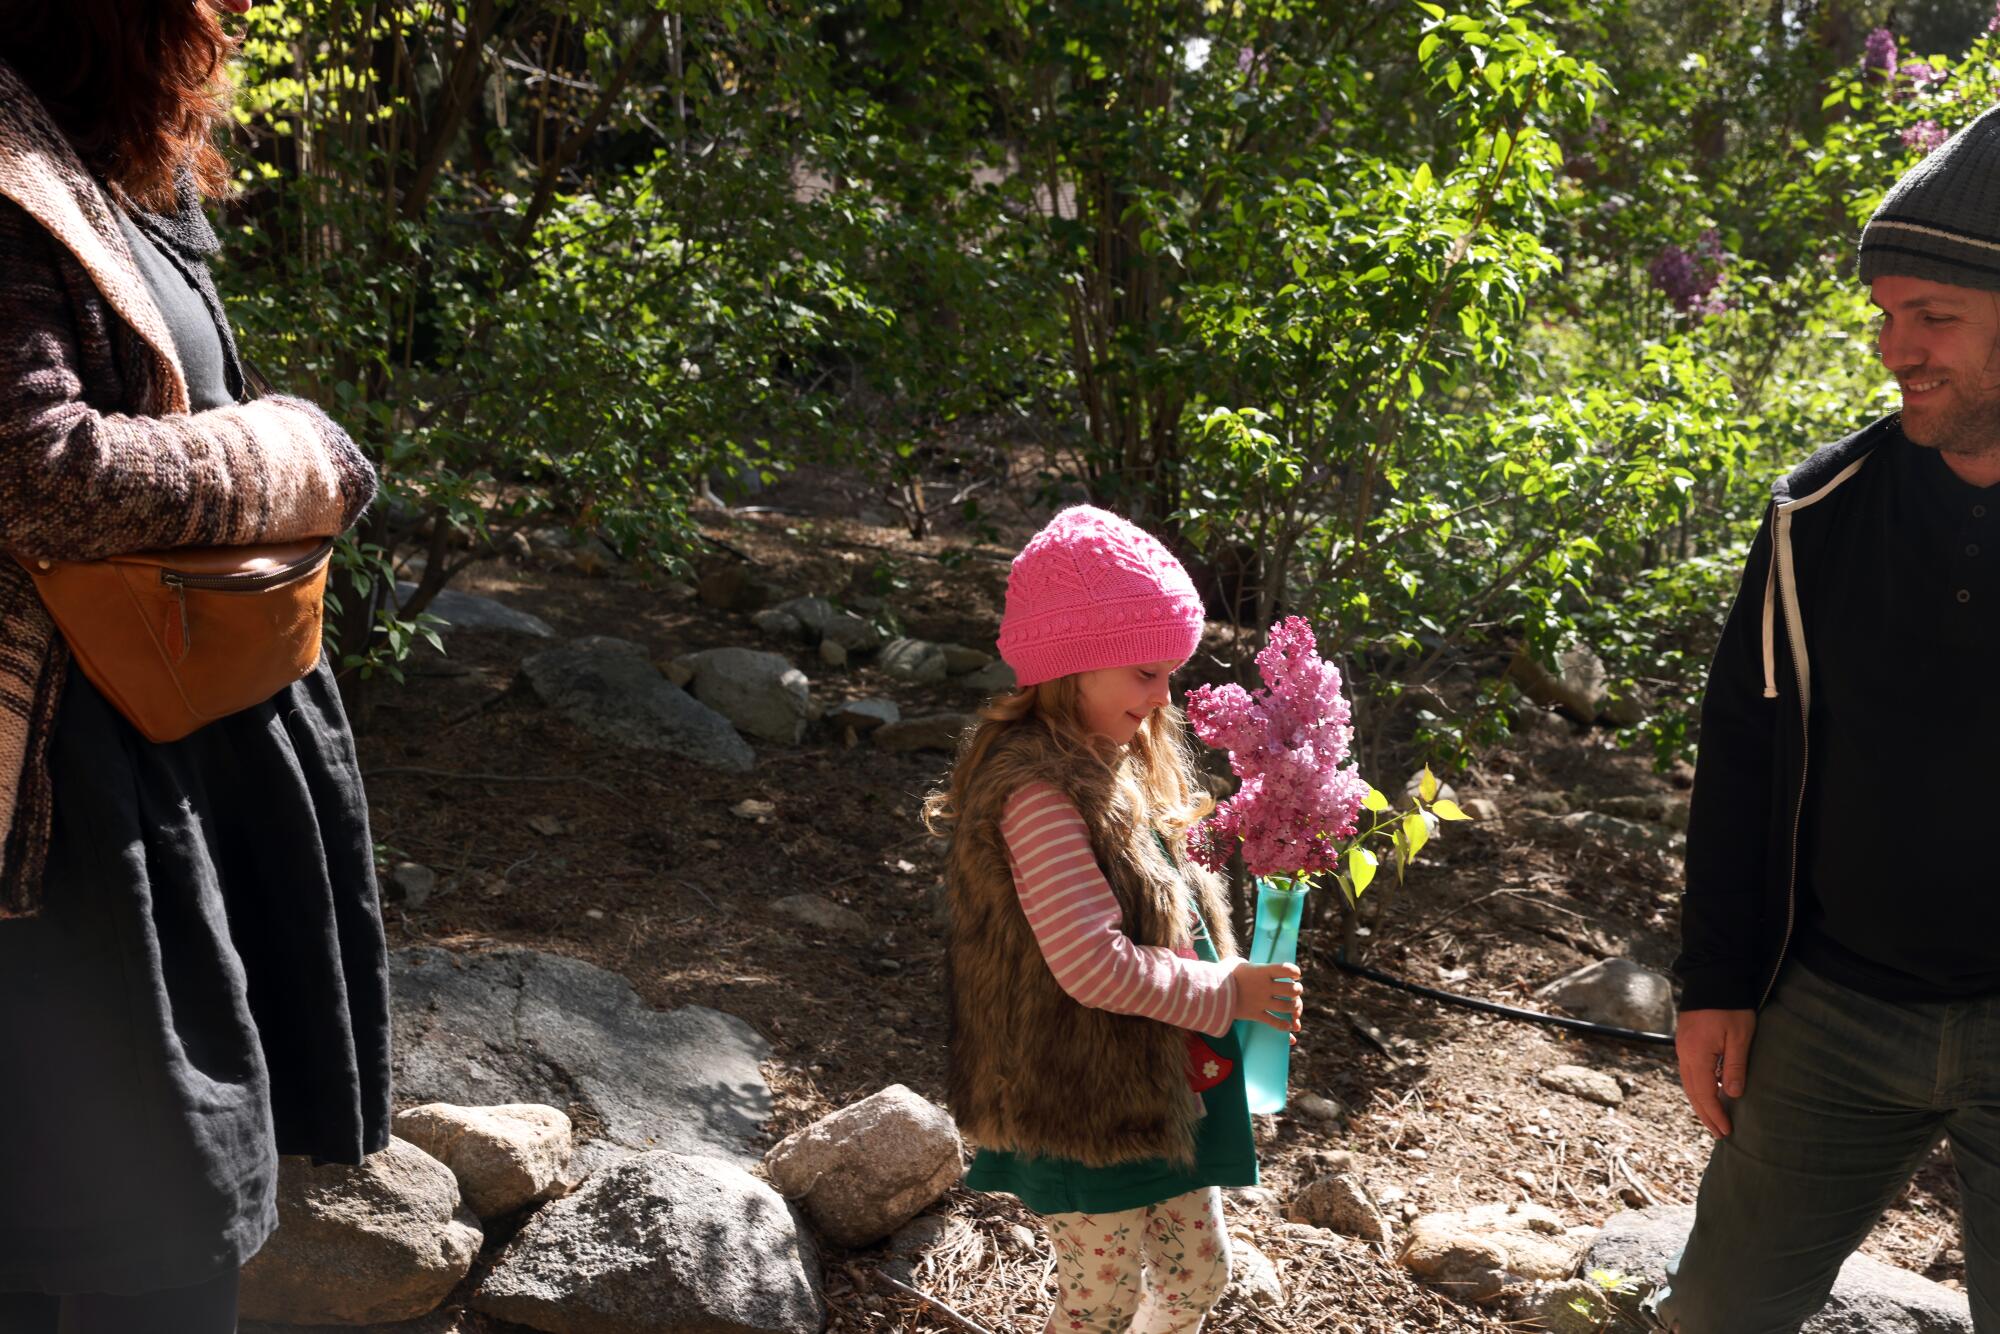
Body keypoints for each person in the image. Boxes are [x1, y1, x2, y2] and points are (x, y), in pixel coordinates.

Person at [0, 1, 388, 1329]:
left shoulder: (100, 151)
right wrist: (294, 456)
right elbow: (44, 476)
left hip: (165, 804)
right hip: (57, 869)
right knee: (131, 1263)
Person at [1652, 105, 2000, 1332]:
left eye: (1934, 318)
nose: (1894, 348)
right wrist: (1714, 983)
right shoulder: (1818, 515)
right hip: (1836, 1012)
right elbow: (1740, 756)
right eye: (1885, 314)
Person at [926, 505, 1305, 1334]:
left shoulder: (1116, 764)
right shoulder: (1038, 796)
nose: (1163, 695)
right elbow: (1091, 963)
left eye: (1169, 672)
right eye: (1145, 672)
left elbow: (1163, 904)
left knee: (1199, 1278)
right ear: (1074, 666)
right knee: (1099, 1301)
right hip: (1081, 1099)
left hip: (1164, 1087)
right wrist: (1226, 991)